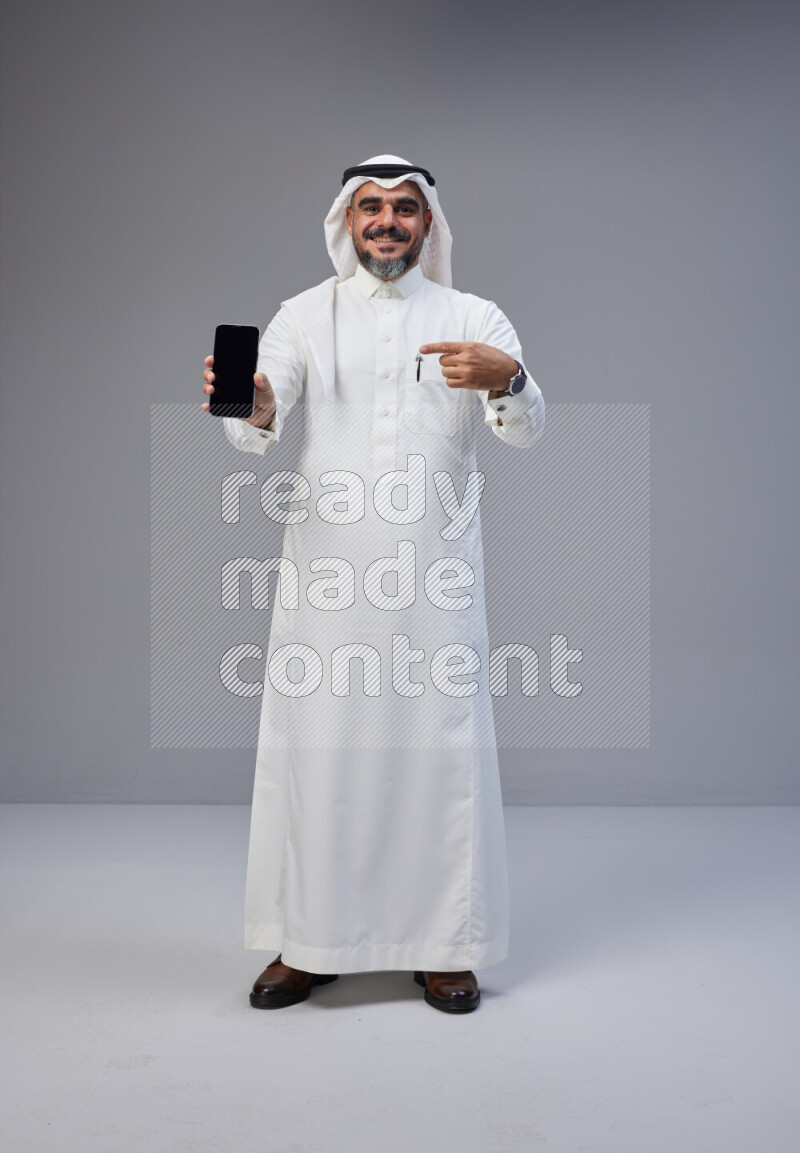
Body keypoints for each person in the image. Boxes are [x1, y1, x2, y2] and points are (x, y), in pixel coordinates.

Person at [201, 155, 545, 1014]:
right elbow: (264, 410)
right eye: (370, 208)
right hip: (329, 578)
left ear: (428, 224)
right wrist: (250, 398)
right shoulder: (304, 314)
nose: (387, 222)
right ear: (346, 222)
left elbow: (527, 429)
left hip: (435, 576)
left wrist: (507, 380)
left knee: (437, 754)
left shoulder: (472, 315)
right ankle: (310, 940)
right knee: (323, 754)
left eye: (403, 208)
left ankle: (444, 946)